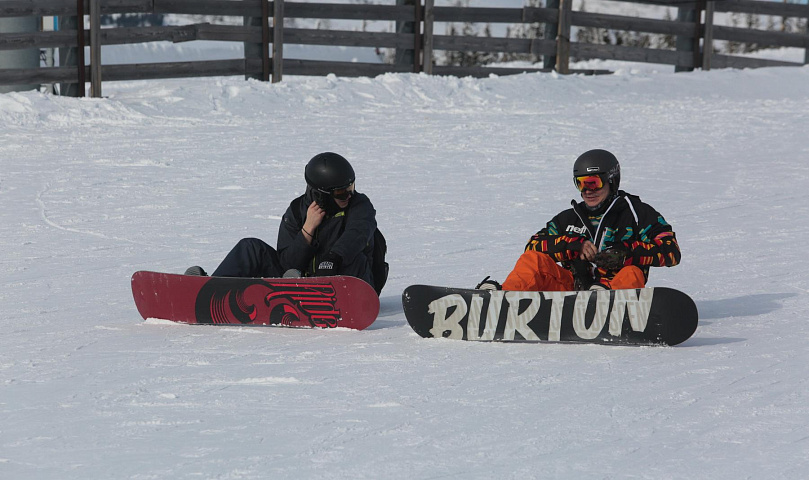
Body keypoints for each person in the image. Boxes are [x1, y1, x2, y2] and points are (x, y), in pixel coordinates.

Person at [477, 149, 680, 292]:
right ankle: (504, 299)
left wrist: (626, 253)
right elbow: (532, 246)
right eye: (581, 184)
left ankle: (603, 301)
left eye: (593, 183)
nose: (587, 191)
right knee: (533, 260)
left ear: (611, 180)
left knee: (632, 272)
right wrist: (572, 245)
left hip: (615, 292)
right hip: (570, 291)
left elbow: (672, 252)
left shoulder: (637, 213)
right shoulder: (569, 218)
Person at [185, 152, 379, 289]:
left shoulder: (359, 205)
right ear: (322, 194)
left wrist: (332, 258)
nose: (349, 195)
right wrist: (307, 230)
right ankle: (210, 289)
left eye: (351, 187)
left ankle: (322, 293)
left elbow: (358, 233)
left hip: (352, 281)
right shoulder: (297, 211)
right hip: (301, 279)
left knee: (355, 256)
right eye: (341, 192)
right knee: (250, 247)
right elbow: (287, 263)